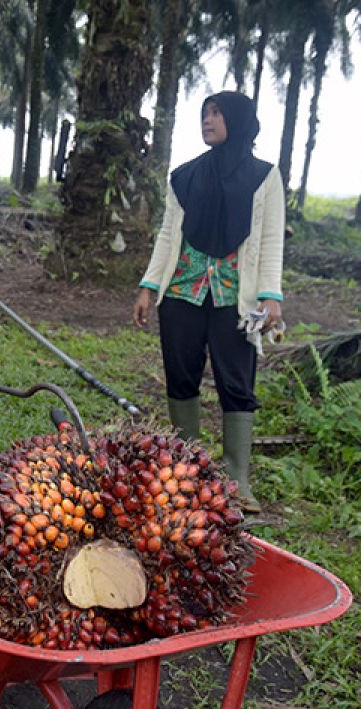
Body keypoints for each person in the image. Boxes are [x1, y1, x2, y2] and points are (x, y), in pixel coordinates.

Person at [132, 91, 285, 513]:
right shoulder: (184, 177)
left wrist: (271, 296)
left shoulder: (264, 177)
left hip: (238, 299)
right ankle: (189, 471)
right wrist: (149, 285)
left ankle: (237, 478)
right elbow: (168, 235)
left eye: (217, 113)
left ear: (238, 119)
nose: (208, 120)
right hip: (182, 291)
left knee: (237, 381)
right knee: (181, 376)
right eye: (204, 113)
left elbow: (271, 238)